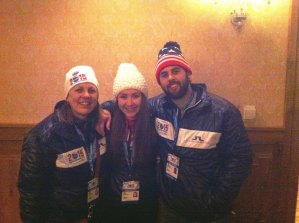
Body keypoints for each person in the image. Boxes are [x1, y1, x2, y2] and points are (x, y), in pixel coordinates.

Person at [149, 41, 252, 223]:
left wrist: (217, 200)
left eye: (176, 71)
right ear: (159, 81)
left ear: (188, 73)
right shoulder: (156, 107)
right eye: (164, 74)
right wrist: (105, 111)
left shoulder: (222, 112)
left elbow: (240, 159)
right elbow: (128, 105)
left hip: (210, 213)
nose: (170, 78)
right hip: (170, 209)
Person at [18, 65, 108, 223]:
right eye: (79, 90)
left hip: (95, 215)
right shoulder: (42, 136)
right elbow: (31, 193)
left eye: (91, 90)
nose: (86, 95)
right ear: (67, 95)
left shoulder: (100, 126)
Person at [102, 63, 158, 223]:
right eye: (123, 96)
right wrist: (103, 109)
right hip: (114, 198)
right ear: (116, 99)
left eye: (135, 95)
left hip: (147, 198)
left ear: (143, 97)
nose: (130, 102)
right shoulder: (108, 123)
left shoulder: (155, 120)